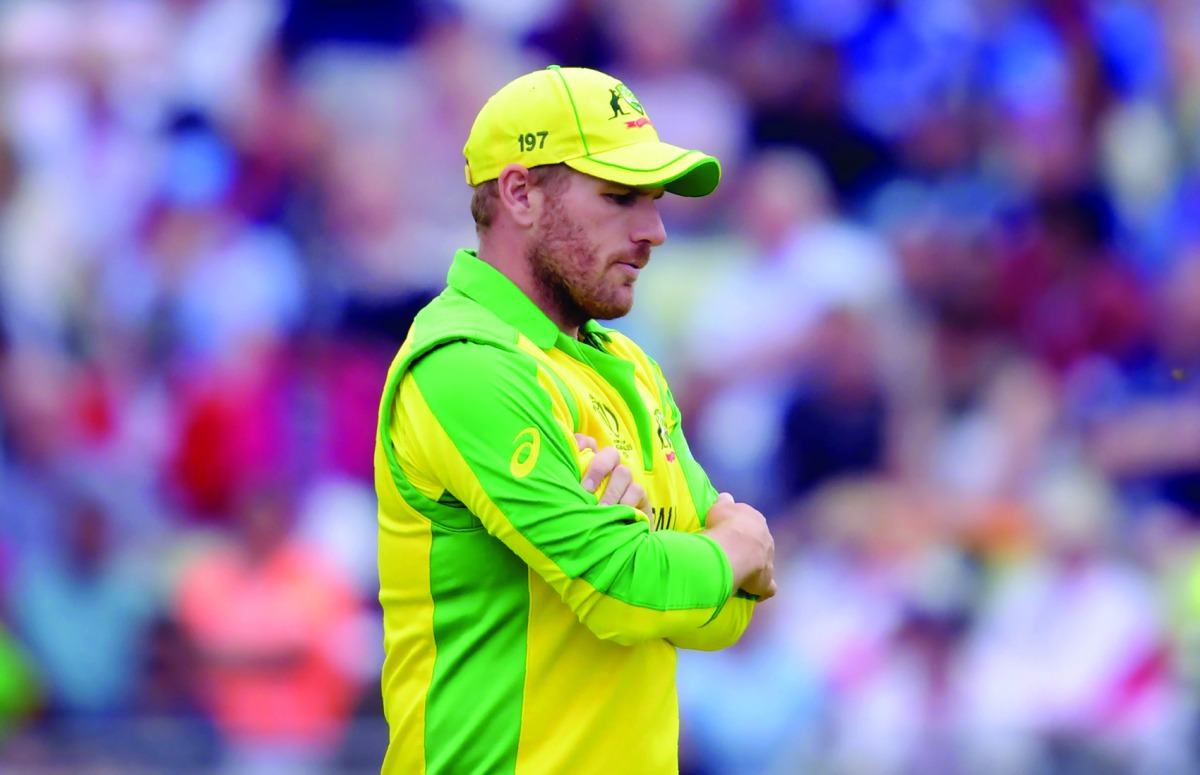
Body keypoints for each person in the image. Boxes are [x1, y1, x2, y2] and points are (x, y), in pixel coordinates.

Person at [374, 65, 777, 774]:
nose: (653, 231)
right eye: (620, 197)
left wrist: (671, 567)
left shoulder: (628, 364)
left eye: (652, 200)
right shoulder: (464, 362)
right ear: (520, 192)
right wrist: (721, 550)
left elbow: (727, 614)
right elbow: (624, 592)